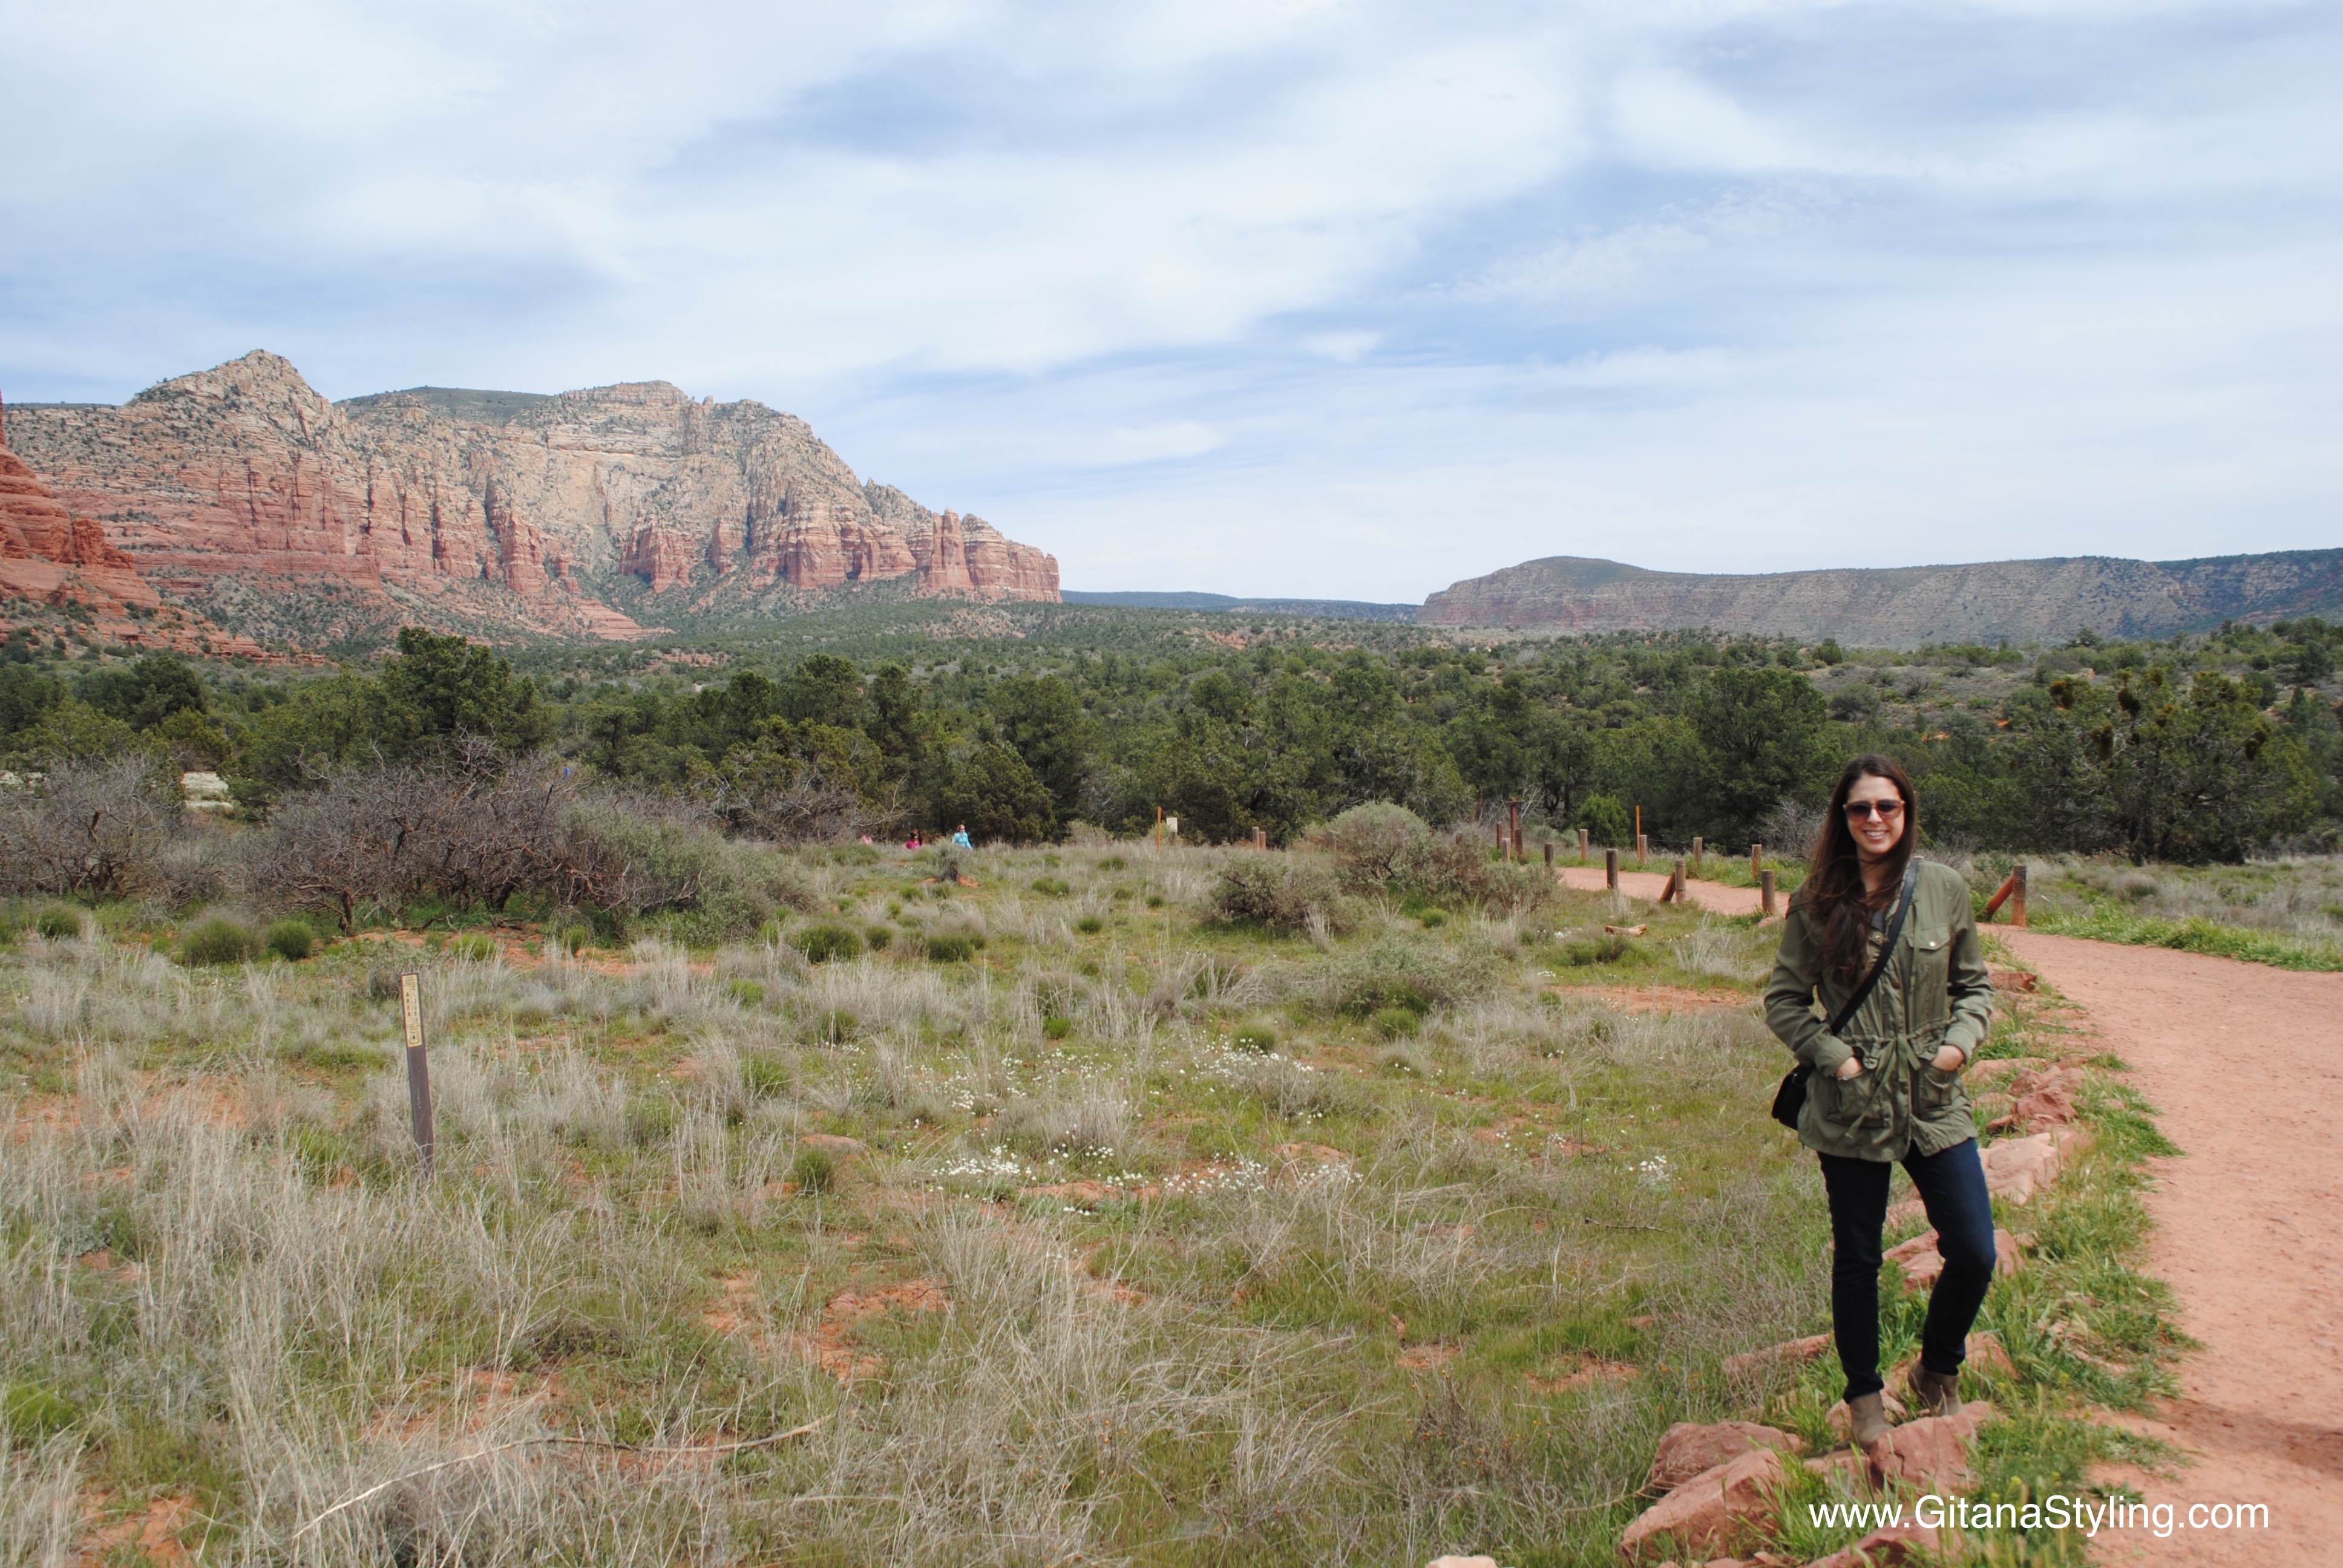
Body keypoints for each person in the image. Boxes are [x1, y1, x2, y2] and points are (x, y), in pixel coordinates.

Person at [1764, 754, 1995, 1468]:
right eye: (1859, 809)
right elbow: (1783, 1000)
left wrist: (1956, 1048)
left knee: (1974, 1248)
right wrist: (1834, 1057)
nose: (1873, 821)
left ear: (1905, 812)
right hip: (1852, 1104)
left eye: (1886, 807)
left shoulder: (1945, 890)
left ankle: (1936, 1368)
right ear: (1841, 817)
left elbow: (1974, 987)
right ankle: (1864, 1400)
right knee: (1858, 1259)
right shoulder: (1814, 901)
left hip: (1931, 1098)